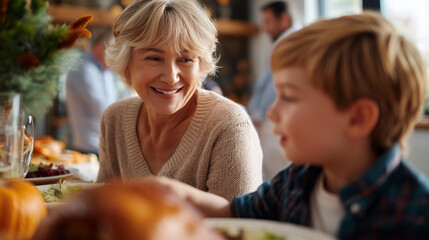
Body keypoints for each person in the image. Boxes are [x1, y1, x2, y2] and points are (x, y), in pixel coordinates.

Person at [142, 11, 429, 239]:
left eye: (289, 97)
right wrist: (163, 190)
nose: (271, 111)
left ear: (357, 119)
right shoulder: (297, 180)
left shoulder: (415, 214)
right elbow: (233, 214)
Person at [97, 0, 263, 201]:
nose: (171, 77)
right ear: (126, 65)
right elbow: (104, 211)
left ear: (200, 64)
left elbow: (239, 229)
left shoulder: (229, 126)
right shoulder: (114, 119)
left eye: (185, 59)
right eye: (154, 58)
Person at [248, 1, 299, 181]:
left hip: (270, 121)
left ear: (284, 19)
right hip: (269, 120)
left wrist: (258, 114)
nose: (265, 28)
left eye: (268, 22)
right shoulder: (284, 42)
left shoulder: (288, 43)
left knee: (276, 172)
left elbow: (274, 85)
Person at [66, 29, 130, 155]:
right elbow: (102, 109)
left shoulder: (103, 68)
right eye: (113, 51)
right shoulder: (84, 68)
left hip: (102, 142)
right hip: (91, 145)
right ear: (100, 45)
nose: (116, 57)